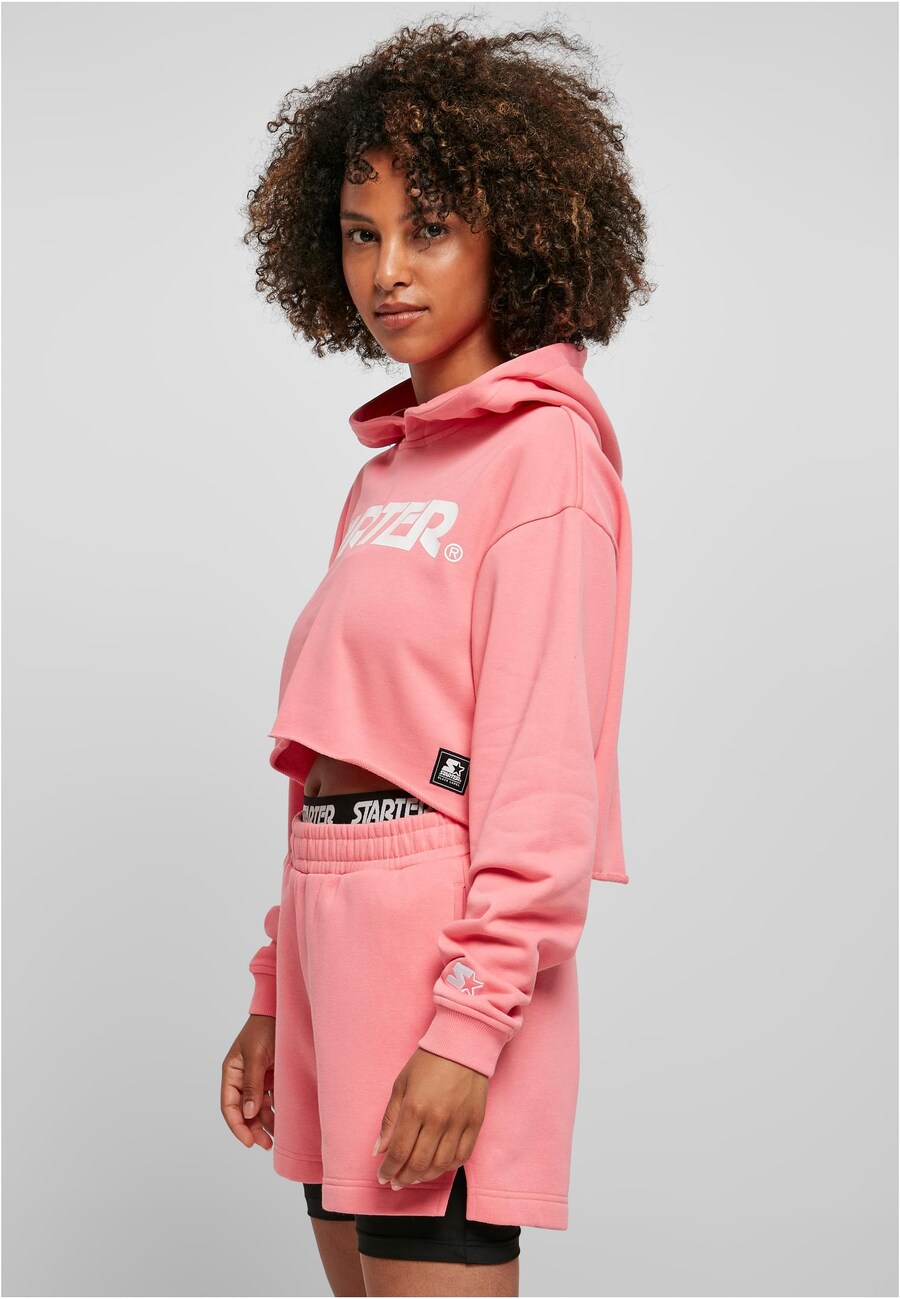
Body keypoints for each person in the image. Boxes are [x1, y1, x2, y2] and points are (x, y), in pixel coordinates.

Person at [220, 16, 653, 1298]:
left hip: (440, 955)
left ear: (516, 231)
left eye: (430, 227)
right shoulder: (384, 478)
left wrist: (469, 1026)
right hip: (329, 934)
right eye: (362, 234)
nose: (389, 271)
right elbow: (335, 743)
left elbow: (542, 776)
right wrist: (274, 987)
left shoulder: (547, 459)